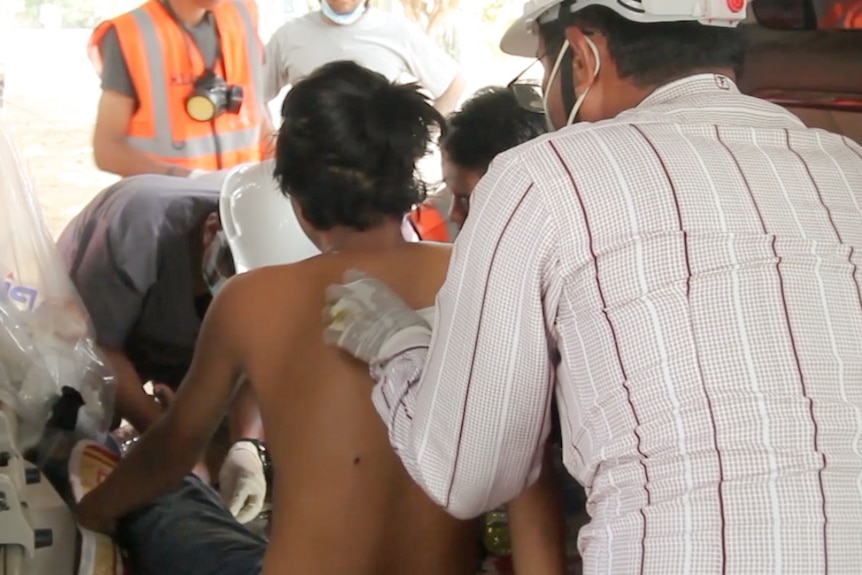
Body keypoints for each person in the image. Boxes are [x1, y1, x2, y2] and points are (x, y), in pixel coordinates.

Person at [322, 0, 862, 572]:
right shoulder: (849, 167)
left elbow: (465, 472)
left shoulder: (543, 174)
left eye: (540, 66)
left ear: (582, 54)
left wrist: (396, 341)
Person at [76, 61, 485, 575]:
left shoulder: (251, 299)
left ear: (297, 199)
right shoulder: (472, 275)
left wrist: (88, 513)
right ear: (406, 180)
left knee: (173, 503)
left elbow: (173, 453)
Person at [56, 176, 267, 523]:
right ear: (210, 230)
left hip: (184, 336)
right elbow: (97, 345)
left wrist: (246, 444)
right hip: (92, 334)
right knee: (75, 428)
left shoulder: (297, 252)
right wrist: (165, 435)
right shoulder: (136, 226)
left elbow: (256, 355)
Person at [87, 0, 274, 178]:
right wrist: (188, 178)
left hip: (240, 201)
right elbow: (107, 150)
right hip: (168, 204)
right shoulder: (130, 34)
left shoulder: (243, 15)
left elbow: (258, 111)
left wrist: (280, 168)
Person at [262, 0, 466, 116]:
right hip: (309, 169)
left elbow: (453, 84)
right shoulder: (288, 36)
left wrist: (420, 138)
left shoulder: (397, 31)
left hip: (379, 173)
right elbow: (254, 97)